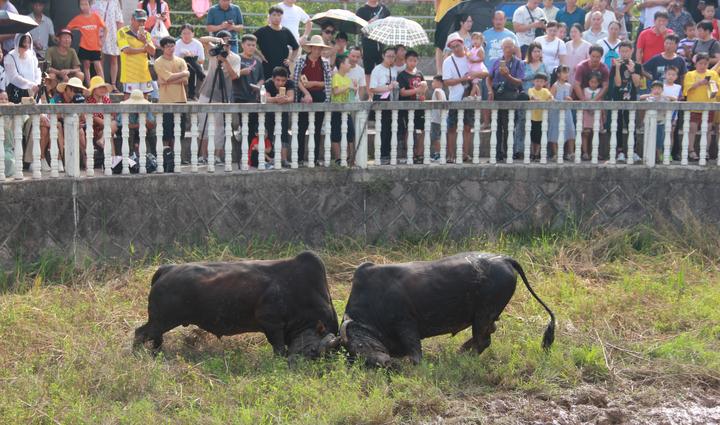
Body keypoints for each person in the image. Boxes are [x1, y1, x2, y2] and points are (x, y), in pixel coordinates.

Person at [197, 31, 239, 163]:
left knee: (220, 128)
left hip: (223, 95)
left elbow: (234, 76)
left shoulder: (235, 58)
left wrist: (225, 60)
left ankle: (216, 156)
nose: (226, 45)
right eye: (224, 42)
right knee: (202, 126)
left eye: (228, 42)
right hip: (207, 92)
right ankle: (202, 156)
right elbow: (202, 39)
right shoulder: (213, 51)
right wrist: (217, 40)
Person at [294, 35, 332, 165]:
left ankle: (314, 159)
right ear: (310, 48)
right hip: (304, 95)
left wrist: (313, 83)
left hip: (320, 95)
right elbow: (296, 79)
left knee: (316, 129)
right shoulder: (301, 60)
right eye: (315, 48)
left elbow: (328, 82)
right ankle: (298, 158)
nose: (317, 51)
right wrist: (306, 92)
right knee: (301, 127)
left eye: (319, 49)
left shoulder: (325, 63)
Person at [487, 37, 525, 161]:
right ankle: (497, 153)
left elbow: (519, 82)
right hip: (497, 95)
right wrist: (490, 90)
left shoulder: (518, 63)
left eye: (510, 46)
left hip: (510, 96)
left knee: (509, 126)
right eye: (506, 46)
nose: (508, 49)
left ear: (514, 48)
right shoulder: (497, 61)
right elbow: (489, 78)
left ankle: (509, 153)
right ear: (502, 48)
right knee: (496, 127)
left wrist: (507, 76)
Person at [155, 36, 189, 160]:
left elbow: (185, 80)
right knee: (166, 132)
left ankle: (177, 157)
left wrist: (169, 79)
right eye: (168, 46)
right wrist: (183, 74)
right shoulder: (159, 61)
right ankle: (165, 157)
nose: (170, 48)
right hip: (166, 100)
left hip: (181, 99)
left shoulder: (180, 61)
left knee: (179, 132)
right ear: (163, 48)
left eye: (172, 45)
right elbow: (166, 78)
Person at [231, 34, 264, 156]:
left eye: (253, 45)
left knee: (253, 126)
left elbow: (261, 78)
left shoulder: (258, 62)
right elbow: (231, 75)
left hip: (253, 97)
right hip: (239, 96)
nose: (251, 47)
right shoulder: (237, 58)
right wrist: (242, 72)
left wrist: (259, 86)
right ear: (242, 45)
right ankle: (243, 154)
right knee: (243, 125)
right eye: (248, 45)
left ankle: (251, 154)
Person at [610, 41, 643, 161]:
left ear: (632, 51)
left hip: (631, 99)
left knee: (631, 125)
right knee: (617, 125)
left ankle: (632, 150)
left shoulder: (637, 65)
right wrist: (618, 68)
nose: (624, 54)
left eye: (626, 51)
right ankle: (619, 152)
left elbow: (637, 83)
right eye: (622, 51)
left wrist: (632, 70)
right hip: (618, 98)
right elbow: (618, 83)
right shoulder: (615, 65)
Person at [683, 53, 720, 160]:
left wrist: (713, 83)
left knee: (708, 129)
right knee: (692, 128)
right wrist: (698, 83)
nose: (703, 66)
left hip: (709, 105)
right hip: (694, 105)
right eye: (700, 63)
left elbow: (718, 88)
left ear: (708, 63)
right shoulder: (690, 74)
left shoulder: (713, 73)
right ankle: (691, 150)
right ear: (696, 64)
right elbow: (686, 90)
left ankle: (705, 150)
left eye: (705, 63)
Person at [442, 34, 473, 162]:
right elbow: (446, 81)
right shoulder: (448, 61)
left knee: (467, 127)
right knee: (451, 127)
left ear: (463, 44)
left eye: (458, 46)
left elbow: (483, 72)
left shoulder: (471, 58)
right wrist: (463, 79)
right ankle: (451, 155)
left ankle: (465, 154)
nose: (456, 49)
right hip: (454, 98)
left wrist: (473, 76)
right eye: (453, 47)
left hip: (469, 96)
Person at [369, 46, 398, 164]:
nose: (390, 59)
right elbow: (372, 88)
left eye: (392, 56)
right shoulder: (377, 69)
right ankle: (380, 154)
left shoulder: (394, 69)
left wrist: (394, 86)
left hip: (391, 99)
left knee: (391, 129)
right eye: (388, 56)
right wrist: (387, 87)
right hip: (380, 99)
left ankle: (388, 154)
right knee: (383, 129)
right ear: (383, 56)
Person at [117, 9, 156, 98]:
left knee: (145, 99)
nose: (141, 23)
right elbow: (126, 50)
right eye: (139, 20)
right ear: (132, 19)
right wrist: (143, 49)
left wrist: (144, 40)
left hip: (144, 72)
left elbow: (153, 51)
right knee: (129, 99)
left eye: (143, 21)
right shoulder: (122, 32)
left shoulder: (146, 34)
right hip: (130, 73)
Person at [254, 6, 299, 80]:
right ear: (269, 16)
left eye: (279, 15)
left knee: (283, 89)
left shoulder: (286, 31)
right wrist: (260, 55)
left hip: (282, 67)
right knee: (267, 88)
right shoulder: (262, 31)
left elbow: (296, 47)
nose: (277, 17)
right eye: (274, 15)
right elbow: (249, 41)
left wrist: (290, 60)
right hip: (267, 66)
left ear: (282, 17)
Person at [397, 50, 427, 163]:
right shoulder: (402, 75)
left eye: (415, 60)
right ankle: (411, 154)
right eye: (410, 60)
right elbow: (402, 92)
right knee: (409, 130)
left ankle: (419, 153)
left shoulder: (419, 74)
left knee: (425, 129)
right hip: (407, 107)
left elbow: (424, 90)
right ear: (405, 61)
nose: (412, 63)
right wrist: (416, 90)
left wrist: (422, 92)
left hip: (419, 106)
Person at [67, 0, 106, 86]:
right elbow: (68, 27)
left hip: (95, 46)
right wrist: (77, 29)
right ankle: (89, 86)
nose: (83, 6)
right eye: (81, 4)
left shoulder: (96, 16)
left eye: (85, 4)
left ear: (90, 4)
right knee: (86, 65)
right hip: (84, 46)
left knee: (97, 66)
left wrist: (102, 40)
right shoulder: (78, 18)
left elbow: (105, 28)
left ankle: (103, 85)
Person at [263, 66, 295, 165]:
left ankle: (284, 159)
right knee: (270, 134)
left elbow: (291, 98)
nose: (280, 83)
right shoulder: (268, 83)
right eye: (278, 80)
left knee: (284, 135)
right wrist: (276, 99)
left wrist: (285, 99)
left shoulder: (290, 83)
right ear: (273, 79)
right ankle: (272, 158)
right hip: (269, 114)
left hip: (283, 114)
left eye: (283, 80)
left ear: (287, 79)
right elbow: (266, 99)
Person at [356, 0, 391, 87]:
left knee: (382, 68)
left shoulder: (384, 9)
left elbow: (389, 24)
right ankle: (370, 95)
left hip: (381, 43)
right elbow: (358, 28)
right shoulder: (361, 11)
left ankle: (381, 92)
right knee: (368, 71)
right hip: (368, 43)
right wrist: (368, 24)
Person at [92, 0, 124, 91]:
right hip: (99, 34)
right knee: (100, 58)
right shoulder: (96, 2)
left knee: (114, 59)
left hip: (113, 34)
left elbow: (119, 21)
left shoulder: (115, 2)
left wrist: (120, 37)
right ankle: (101, 82)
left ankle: (113, 84)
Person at [330, 57, 357, 164]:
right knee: (336, 134)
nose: (350, 65)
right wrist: (348, 87)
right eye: (348, 63)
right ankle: (338, 158)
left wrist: (354, 89)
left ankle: (351, 158)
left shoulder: (347, 78)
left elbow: (351, 96)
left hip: (347, 111)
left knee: (351, 133)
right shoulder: (336, 76)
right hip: (337, 110)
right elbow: (335, 91)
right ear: (341, 64)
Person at [3, 33, 41, 104]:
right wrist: (30, 84)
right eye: (24, 42)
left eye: (29, 42)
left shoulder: (32, 56)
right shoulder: (10, 57)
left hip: (32, 92)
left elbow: (37, 71)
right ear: (18, 41)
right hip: (16, 93)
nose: (27, 45)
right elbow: (13, 77)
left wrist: (37, 83)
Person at [549, 65, 576, 160]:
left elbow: (568, 97)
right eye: (564, 72)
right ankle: (556, 153)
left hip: (567, 111)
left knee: (570, 129)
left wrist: (569, 99)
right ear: (558, 74)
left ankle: (571, 152)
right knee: (556, 130)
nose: (566, 75)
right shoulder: (555, 85)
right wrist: (558, 101)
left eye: (567, 72)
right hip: (556, 112)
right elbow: (551, 97)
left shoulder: (569, 86)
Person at [86, 76, 118, 156]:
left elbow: (113, 115)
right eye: (100, 87)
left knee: (111, 127)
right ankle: (113, 160)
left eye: (103, 87)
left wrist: (108, 121)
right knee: (110, 129)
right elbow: (95, 119)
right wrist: (107, 121)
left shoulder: (106, 100)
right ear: (94, 89)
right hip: (94, 130)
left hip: (105, 129)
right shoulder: (89, 101)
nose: (103, 89)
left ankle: (112, 160)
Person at [175, 23, 205, 100]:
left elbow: (202, 60)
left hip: (196, 64)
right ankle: (191, 94)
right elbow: (174, 60)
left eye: (189, 33)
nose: (186, 36)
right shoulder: (177, 44)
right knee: (189, 66)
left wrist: (192, 57)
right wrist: (184, 57)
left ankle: (192, 94)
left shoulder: (198, 44)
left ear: (193, 34)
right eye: (184, 33)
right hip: (181, 65)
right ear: (181, 34)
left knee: (192, 65)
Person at [528, 72, 553, 160]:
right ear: (533, 81)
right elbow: (532, 96)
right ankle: (532, 153)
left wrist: (550, 100)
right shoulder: (531, 89)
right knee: (532, 137)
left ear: (545, 83)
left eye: (541, 81)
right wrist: (536, 99)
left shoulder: (545, 91)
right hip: (532, 118)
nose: (539, 83)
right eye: (537, 81)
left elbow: (551, 97)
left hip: (541, 118)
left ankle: (537, 154)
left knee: (539, 137)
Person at [580, 72, 604, 160]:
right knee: (585, 133)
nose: (593, 84)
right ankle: (585, 152)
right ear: (588, 82)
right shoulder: (584, 90)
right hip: (586, 114)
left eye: (595, 82)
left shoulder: (600, 91)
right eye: (592, 82)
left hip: (597, 114)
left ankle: (595, 152)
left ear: (598, 83)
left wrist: (603, 114)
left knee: (595, 133)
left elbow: (602, 103)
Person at [429, 74, 447, 162]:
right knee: (437, 137)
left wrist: (440, 113)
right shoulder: (442, 91)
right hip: (440, 119)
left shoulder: (437, 91)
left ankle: (439, 154)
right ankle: (438, 153)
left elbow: (440, 102)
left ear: (439, 82)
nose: (432, 83)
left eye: (433, 82)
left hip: (436, 119)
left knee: (435, 138)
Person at [467, 32, 487, 98]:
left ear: (481, 41)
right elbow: (470, 54)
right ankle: (478, 95)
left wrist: (474, 61)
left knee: (475, 83)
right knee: (474, 82)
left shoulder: (480, 49)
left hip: (477, 67)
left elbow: (482, 58)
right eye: (473, 39)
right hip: (472, 67)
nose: (475, 41)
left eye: (477, 39)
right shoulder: (474, 48)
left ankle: (471, 95)